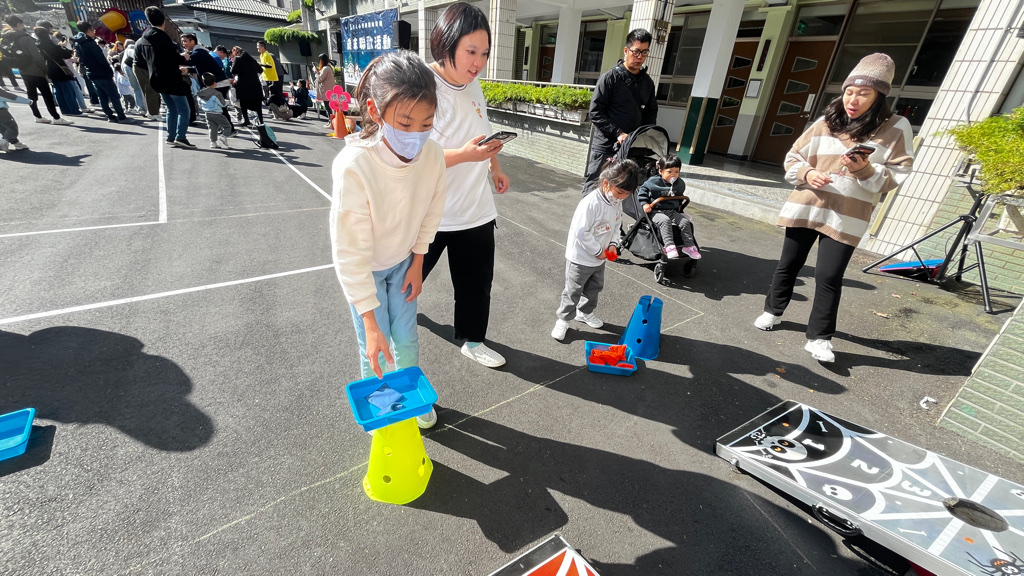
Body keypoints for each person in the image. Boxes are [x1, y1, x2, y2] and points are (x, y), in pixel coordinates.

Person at [754, 53, 915, 363]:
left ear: (879, 96)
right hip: (808, 205)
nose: (853, 100)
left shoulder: (896, 127)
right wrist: (807, 173)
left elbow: (898, 175)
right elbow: (793, 157)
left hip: (847, 214)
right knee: (789, 264)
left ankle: (819, 337)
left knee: (829, 275)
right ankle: (773, 310)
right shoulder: (827, 122)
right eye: (849, 92)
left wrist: (864, 169)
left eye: (863, 93)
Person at [329, 50, 447, 429]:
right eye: (405, 123)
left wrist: (418, 262)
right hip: (366, 271)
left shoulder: (432, 155)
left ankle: (410, 396)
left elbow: (432, 211)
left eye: (426, 123)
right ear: (374, 110)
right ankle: (383, 407)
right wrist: (368, 318)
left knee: (406, 339)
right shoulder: (354, 165)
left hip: (403, 263)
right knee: (375, 345)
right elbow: (349, 252)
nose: (416, 136)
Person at [423, 2, 511, 369]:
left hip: (475, 209)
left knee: (476, 286)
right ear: (447, 43)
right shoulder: (421, 85)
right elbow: (410, 155)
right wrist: (464, 155)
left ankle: (474, 342)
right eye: (471, 51)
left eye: (484, 54)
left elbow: (481, 132)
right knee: (401, 286)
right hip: (428, 213)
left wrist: (494, 165)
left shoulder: (474, 86)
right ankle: (389, 328)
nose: (478, 63)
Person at [552, 158, 639, 341]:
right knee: (573, 290)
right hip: (581, 257)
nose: (622, 197)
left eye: (626, 194)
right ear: (606, 183)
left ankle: (584, 313)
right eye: (620, 192)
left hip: (600, 257)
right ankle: (563, 319)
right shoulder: (590, 203)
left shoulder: (616, 202)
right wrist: (598, 251)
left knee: (594, 288)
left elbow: (616, 226)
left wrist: (614, 244)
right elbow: (581, 232)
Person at [583, 28, 657, 193]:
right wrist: (617, 133)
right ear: (626, 50)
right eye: (636, 51)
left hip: (631, 148)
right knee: (595, 188)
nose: (640, 57)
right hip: (606, 146)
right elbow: (595, 112)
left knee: (622, 191)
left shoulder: (648, 83)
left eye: (644, 52)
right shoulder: (609, 78)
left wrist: (644, 135)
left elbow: (651, 112)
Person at [139, 7, 193, 148]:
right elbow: (170, 57)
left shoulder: (145, 36)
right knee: (184, 109)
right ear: (163, 22)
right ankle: (181, 136)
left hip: (156, 77)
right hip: (170, 78)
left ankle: (171, 136)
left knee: (171, 108)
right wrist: (183, 57)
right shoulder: (162, 37)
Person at [4, 16, 72, 125]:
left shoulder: (10, 38)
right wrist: (45, 70)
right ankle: (56, 117)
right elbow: (37, 57)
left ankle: (37, 116)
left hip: (23, 70)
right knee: (47, 95)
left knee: (31, 95)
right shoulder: (26, 38)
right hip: (36, 70)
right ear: (19, 24)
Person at [637, 155, 700, 260]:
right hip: (656, 211)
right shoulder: (653, 182)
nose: (673, 175)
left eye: (676, 172)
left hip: (671, 211)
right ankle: (669, 246)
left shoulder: (679, 183)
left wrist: (679, 205)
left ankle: (689, 246)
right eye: (669, 172)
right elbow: (642, 192)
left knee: (685, 222)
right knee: (665, 221)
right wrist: (645, 203)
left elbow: (679, 195)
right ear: (661, 171)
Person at [73, 20, 130, 124]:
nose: (94, 32)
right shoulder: (90, 43)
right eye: (93, 30)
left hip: (91, 72)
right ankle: (121, 116)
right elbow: (101, 60)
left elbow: (80, 59)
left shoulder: (78, 43)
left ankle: (110, 116)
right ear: (89, 30)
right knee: (113, 95)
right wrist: (109, 71)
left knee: (101, 95)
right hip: (102, 73)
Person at [180, 33, 231, 130]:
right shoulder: (200, 52)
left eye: (185, 41)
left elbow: (190, 61)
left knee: (218, 107)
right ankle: (227, 128)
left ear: (192, 41)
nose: (183, 44)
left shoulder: (199, 52)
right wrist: (189, 70)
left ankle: (229, 129)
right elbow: (202, 68)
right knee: (218, 107)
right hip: (217, 82)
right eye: (182, 41)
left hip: (218, 83)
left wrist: (180, 57)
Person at [34, 24, 80, 117]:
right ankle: (73, 110)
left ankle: (64, 110)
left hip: (48, 69)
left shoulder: (37, 44)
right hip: (59, 68)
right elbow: (66, 54)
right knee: (67, 90)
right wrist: (61, 46)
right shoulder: (49, 44)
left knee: (57, 90)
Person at [230, 46, 264, 126]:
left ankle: (246, 120)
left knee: (244, 104)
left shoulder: (237, 59)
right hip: (255, 85)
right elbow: (260, 70)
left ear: (236, 53)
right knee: (258, 106)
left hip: (243, 86)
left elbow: (233, 71)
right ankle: (261, 121)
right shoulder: (252, 60)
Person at [197, 72, 231, 149]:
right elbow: (222, 103)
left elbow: (199, 102)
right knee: (227, 126)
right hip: (217, 113)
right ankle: (224, 136)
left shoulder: (201, 93)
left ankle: (213, 142)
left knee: (212, 128)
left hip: (207, 113)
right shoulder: (217, 93)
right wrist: (228, 102)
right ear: (215, 83)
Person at [131, 33, 160, 119]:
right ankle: (153, 113)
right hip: (142, 68)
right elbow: (150, 58)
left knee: (149, 90)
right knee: (151, 90)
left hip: (139, 67)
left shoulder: (141, 41)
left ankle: (152, 112)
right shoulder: (145, 43)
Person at [0, 86, 31, 151]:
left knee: (3, 128)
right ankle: (2, 143)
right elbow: (11, 97)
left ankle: (15, 142)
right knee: (11, 127)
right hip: (1, 112)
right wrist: (28, 101)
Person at [119, 39, 145, 113]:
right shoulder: (132, 48)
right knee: (141, 88)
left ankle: (140, 107)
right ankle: (143, 107)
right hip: (135, 70)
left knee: (135, 89)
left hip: (127, 71)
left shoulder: (123, 53)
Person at [314, 53, 335, 122]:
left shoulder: (325, 68)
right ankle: (331, 121)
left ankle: (331, 121)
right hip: (329, 90)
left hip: (326, 91)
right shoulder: (329, 67)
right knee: (328, 107)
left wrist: (316, 72)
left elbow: (320, 79)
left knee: (327, 107)